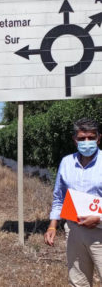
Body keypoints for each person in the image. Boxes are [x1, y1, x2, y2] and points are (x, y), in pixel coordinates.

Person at [44, 117, 102, 287]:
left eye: (91, 137)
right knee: (78, 282)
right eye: (82, 138)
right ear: (74, 139)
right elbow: (59, 197)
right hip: (74, 230)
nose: (87, 142)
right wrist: (53, 225)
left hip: (100, 232)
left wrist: (99, 217)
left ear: (99, 138)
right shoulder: (67, 163)